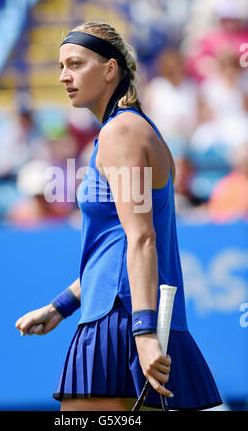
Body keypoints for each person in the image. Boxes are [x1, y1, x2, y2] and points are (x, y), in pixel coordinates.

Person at [15, 21, 222, 411]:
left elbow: (142, 238)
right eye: (61, 66)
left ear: (110, 69)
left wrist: (143, 335)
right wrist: (59, 307)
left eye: (75, 64)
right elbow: (116, 247)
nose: (63, 76)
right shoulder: (129, 129)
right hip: (127, 314)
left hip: (123, 321)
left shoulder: (122, 132)